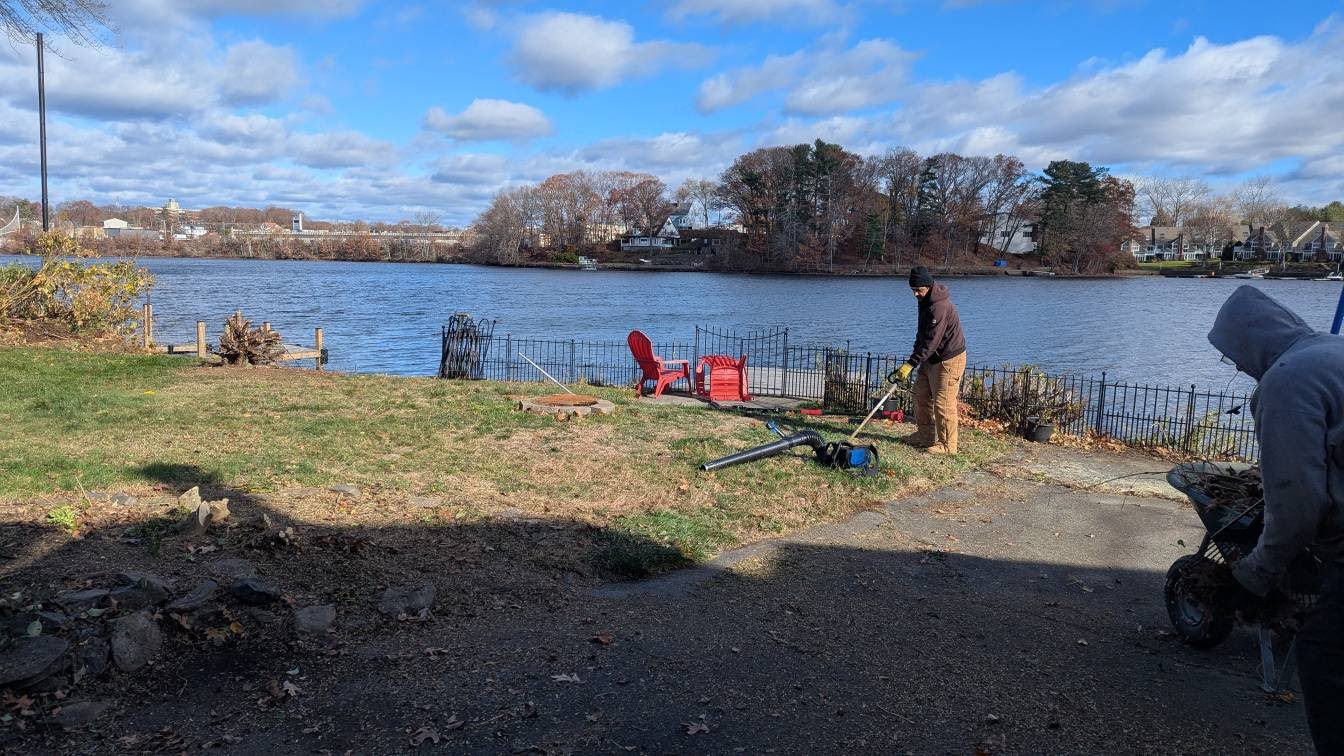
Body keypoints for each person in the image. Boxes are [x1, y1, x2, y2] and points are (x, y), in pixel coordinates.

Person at [1207, 285, 1344, 753]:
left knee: (1327, 657)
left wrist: (1253, 574)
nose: (1240, 368)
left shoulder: (1287, 380)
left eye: (1233, 356)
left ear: (1250, 342)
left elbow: (1297, 503)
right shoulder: (1332, 349)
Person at [889, 266, 966, 455]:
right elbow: (923, 335)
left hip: (949, 358)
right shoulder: (924, 301)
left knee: (943, 401)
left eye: (919, 290)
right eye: (913, 290)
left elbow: (932, 341)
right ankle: (925, 436)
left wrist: (911, 364)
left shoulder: (939, 306)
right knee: (920, 394)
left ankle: (948, 445)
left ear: (929, 285)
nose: (915, 294)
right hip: (931, 357)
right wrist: (913, 357)